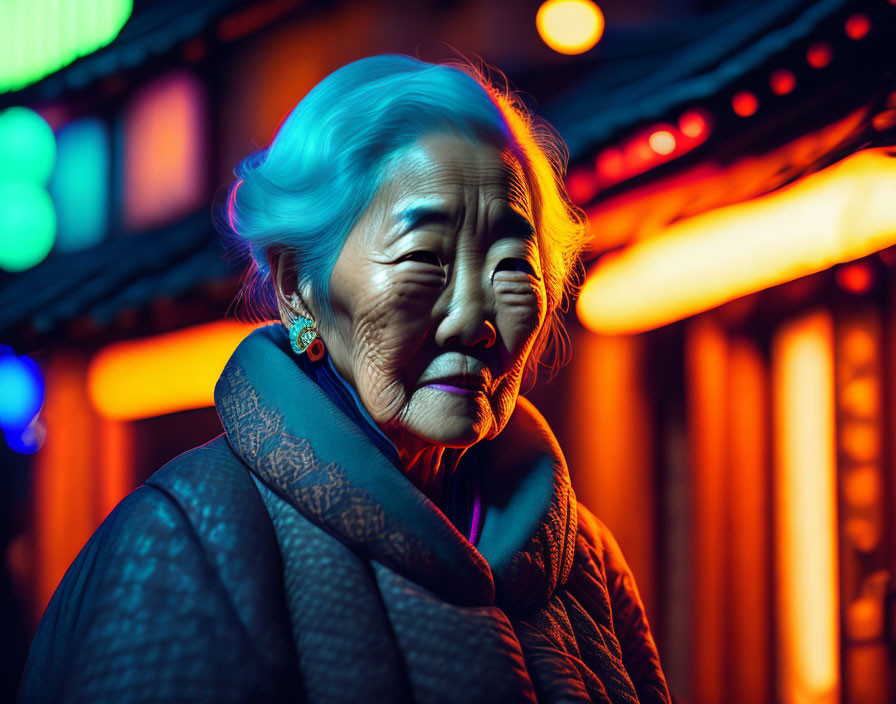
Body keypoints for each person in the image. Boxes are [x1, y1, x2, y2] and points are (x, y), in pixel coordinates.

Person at [19, 55, 671, 704]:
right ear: (298, 290)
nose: (474, 318)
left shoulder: (584, 561)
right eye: (422, 257)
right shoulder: (184, 539)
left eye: (510, 265)